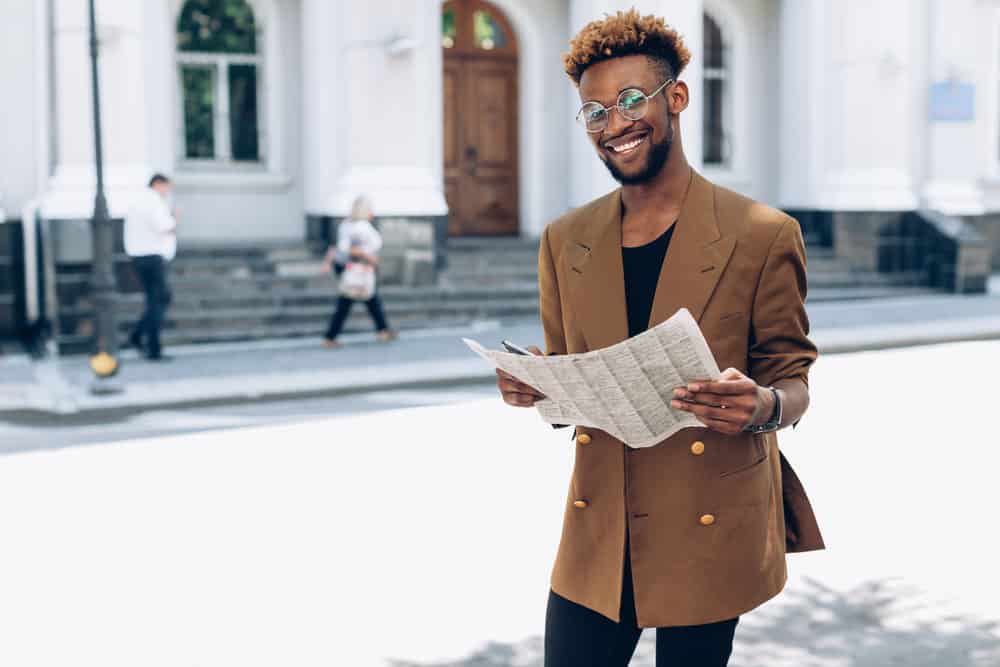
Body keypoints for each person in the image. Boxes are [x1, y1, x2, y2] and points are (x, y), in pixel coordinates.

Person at [494, 10, 824, 667]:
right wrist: (541, 384)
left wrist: (761, 405)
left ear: (676, 98)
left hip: (709, 517)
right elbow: (572, 382)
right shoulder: (565, 240)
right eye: (593, 112)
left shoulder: (762, 232)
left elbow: (793, 381)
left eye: (629, 101)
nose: (613, 125)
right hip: (600, 519)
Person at [320, 195, 397, 347]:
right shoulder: (360, 227)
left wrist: (328, 261)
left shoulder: (347, 225)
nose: (372, 212)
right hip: (358, 269)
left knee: (369, 300)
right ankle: (330, 337)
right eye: (370, 209)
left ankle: (383, 329)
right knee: (350, 301)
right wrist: (369, 258)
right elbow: (350, 248)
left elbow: (339, 247)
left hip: (352, 269)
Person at [125, 173, 177, 361]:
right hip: (153, 257)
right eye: (166, 187)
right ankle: (151, 347)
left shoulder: (138, 201)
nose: (167, 192)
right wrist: (175, 218)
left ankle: (139, 335)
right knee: (159, 300)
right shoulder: (154, 202)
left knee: (156, 299)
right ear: (158, 184)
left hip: (139, 257)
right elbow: (164, 226)